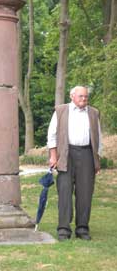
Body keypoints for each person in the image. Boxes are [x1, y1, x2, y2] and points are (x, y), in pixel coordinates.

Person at [47, 86, 101, 241]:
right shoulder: (61, 110)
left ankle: (82, 229)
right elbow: (52, 135)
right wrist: (53, 156)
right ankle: (63, 229)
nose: (84, 99)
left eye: (86, 97)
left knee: (85, 193)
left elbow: (98, 137)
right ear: (72, 96)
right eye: (81, 96)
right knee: (64, 192)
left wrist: (96, 158)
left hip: (87, 154)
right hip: (66, 154)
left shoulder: (93, 113)